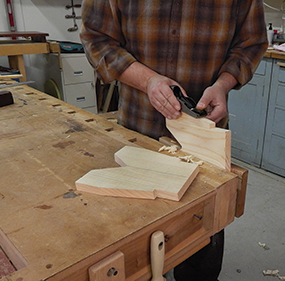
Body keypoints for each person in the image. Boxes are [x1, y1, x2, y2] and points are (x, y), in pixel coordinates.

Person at [80, 1, 268, 280]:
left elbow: (250, 44)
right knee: (132, 250)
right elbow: (97, 38)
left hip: (204, 139)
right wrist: (148, 81)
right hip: (139, 130)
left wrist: (222, 84)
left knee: (201, 250)